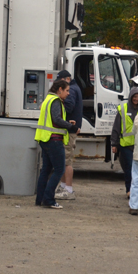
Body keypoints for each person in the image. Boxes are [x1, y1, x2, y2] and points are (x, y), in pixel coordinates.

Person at [35, 79, 79, 209]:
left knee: (46, 170)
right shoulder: (55, 101)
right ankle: (48, 199)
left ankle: (40, 199)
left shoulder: (47, 99)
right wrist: (71, 127)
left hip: (45, 139)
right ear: (59, 90)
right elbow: (57, 119)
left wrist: (67, 122)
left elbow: (53, 120)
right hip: (54, 140)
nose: (68, 93)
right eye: (66, 90)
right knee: (59, 170)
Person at [111, 87, 138, 199]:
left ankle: (136, 189)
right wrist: (114, 143)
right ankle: (129, 190)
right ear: (131, 97)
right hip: (126, 145)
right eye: (134, 97)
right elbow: (116, 127)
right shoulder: (123, 108)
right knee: (129, 168)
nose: (136, 99)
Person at [56, 70, 82, 200]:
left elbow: (68, 108)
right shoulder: (74, 88)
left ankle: (68, 189)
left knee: (67, 161)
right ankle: (63, 186)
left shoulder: (71, 90)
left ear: (67, 79)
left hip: (69, 131)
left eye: (60, 81)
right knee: (64, 160)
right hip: (69, 130)